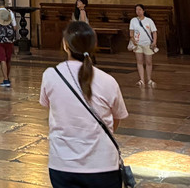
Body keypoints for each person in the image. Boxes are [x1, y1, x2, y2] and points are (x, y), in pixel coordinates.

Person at [40, 22, 128, 188]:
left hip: (63, 163)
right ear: (94, 45)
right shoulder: (108, 81)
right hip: (103, 164)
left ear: (66, 45)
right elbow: (116, 119)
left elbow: (49, 106)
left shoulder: (50, 76)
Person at [129, 4, 158, 88]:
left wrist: (154, 42)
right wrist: (133, 39)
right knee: (139, 61)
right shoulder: (133, 20)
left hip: (147, 44)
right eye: (136, 10)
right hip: (138, 44)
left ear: (143, 11)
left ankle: (149, 79)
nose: (138, 11)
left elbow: (154, 32)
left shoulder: (149, 21)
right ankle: (141, 79)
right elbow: (131, 32)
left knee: (149, 62)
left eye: (139, 9)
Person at [0, 1, 16, 87]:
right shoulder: (10, 13)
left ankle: (6, 80)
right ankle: (7, 77)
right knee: (8, 59)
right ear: (4, 3)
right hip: (9, 39)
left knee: (2, 59)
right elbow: (15, 27)